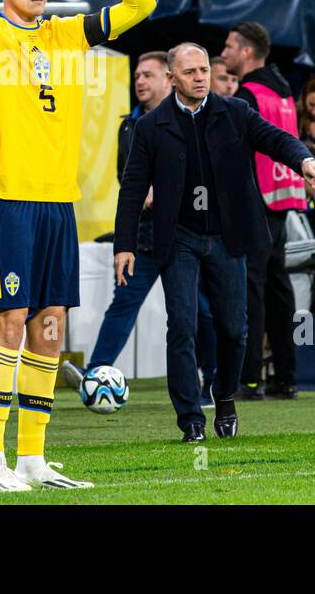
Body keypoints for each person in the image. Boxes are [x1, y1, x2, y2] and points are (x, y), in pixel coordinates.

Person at [0, 0, 156, 491]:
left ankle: (32, 461)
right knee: (11, 321)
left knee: (50, 327)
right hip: (5, 199)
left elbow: (142, 4)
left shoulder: (67, 34)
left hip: (56, 202)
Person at [116, 43, 315, 442]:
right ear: (172, 79)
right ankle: (191, 420)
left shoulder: (236, 112)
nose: (200, 77)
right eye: (190, 72)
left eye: (204, 71)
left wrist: (304, 161)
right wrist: (123, 245)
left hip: (228, 237)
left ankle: (225, 396)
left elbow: (277, 140)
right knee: (181, 326)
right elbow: (133, 188)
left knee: (234, 330)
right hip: (177, 238)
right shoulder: (149, 127)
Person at [68, 51, 219, 406]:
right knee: (124, 303)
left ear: (169, 80)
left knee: (200, 311)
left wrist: (166, 193)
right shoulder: (130, 125)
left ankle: (211, 379)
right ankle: (96, 373)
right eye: (137, 75)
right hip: (145, 236)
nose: (139, 81)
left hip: (184, 236)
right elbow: (129, 179)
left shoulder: (193, 118)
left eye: (148, 75)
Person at [221, 22, 305, 400]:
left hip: (257, 201)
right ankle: (285, 378)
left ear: (247, 52)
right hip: (284, 199)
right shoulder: (284, 90)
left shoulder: (250, 95)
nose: (223, 53)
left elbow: (241, 152)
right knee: (278, 288)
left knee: (250, 290)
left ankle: (249, 379)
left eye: (229, 47)